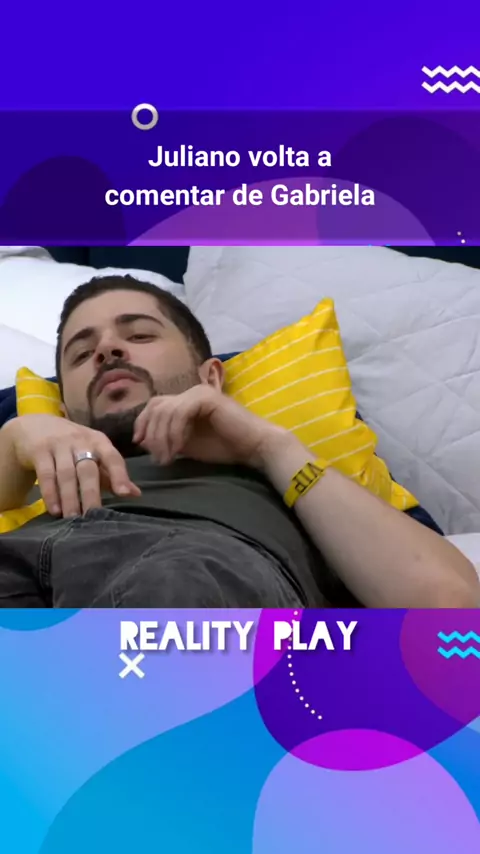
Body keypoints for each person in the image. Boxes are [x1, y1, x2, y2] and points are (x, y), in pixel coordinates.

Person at [0, 275, 478, 609]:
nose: (106, 350)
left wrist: (268, 448)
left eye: (140, 334)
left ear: (211, 377)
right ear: (64, 408)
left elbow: (451, 610)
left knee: (172, 583)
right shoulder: (28, 467)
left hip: (193, 561)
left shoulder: (293, 482)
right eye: (82, 353)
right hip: (21, 552)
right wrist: (15, 439)